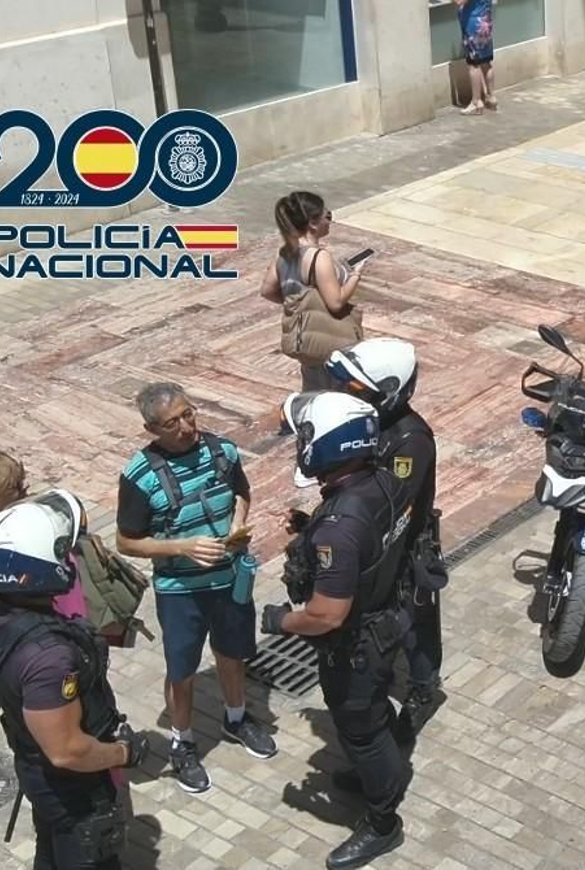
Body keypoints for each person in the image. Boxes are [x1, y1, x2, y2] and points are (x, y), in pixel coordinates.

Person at [261, 391, 414, 869]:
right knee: (372, 718)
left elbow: (326, 614)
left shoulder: (339, 528)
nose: (301, 444)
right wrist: (313, 527)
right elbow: (369, 540)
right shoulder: (384, 480)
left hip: (356, 643)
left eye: (308, 437)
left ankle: (382, 822)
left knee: (359, 726)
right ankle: (385, 769)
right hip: (388, 618)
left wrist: (279, 621)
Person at [0, 489, 149, 869]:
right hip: (74, 793)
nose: (68, 559)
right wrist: (124, 753)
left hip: (37, 774)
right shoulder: (49, 656)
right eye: (60, 551)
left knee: (50, 852)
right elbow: (67, 750)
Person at [115, 382, 276, 794]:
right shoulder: (139, 476)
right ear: (153, 429)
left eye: (190, 414)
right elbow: (126, 541)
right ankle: (182, 742)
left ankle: (236, 717)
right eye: (174, 423)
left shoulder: (222, 451)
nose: (187, 427)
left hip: (229, 578)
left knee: (232, 652)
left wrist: (239, 521)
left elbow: (241, 491)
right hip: (180, 590)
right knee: (181, 670)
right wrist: (182, 547)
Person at [327, 339, 448, 734]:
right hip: (373, 546)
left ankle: (424, 688)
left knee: (417, 623)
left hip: (405, 547)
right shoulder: (365, 425)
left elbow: (390, 497)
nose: (347, 395)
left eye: (357, 390)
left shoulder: (410, 440)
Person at [0, 449, 87, 620]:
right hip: (55, 630)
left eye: (22, 480)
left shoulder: (32, 521)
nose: (24, 489)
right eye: (15, 486)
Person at [259, 191, 368, 393]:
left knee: (314, 392)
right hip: (331, 340)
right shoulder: (319, 257)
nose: (330, 221)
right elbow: (335, 302)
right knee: (340, 394)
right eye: (328, 217)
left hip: (305, 339)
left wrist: (295, 300)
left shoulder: (285, 254)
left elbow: (267, 290)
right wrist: (355, 276)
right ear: (313, 224)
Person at [455, 0, 496, 115]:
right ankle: (491, 97)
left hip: (473, 26)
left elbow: (460, 2)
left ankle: (476, 101)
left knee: (473, 64)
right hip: (484, 22)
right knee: (486, 61)